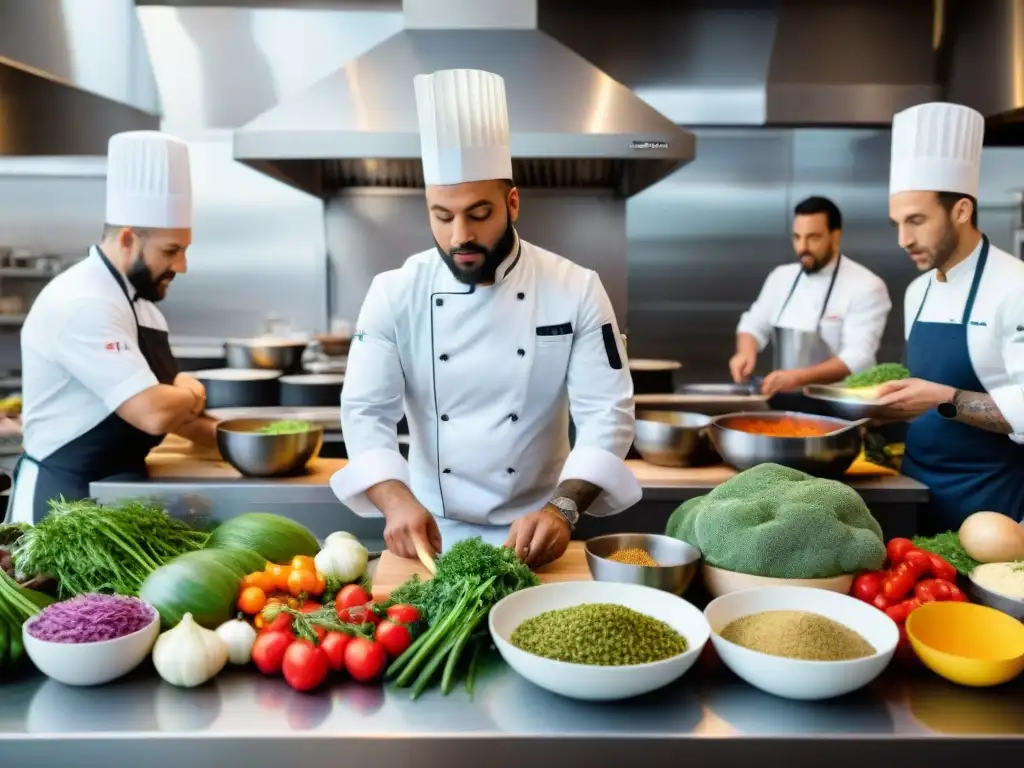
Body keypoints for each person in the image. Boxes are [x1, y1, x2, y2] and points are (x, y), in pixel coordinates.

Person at [330, 68, 641, 568]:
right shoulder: (394, 292)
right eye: (442, 216)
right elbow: (366, 412)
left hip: (543, 529)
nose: (460, 237)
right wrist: (394, 499)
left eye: (478, 214)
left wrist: (563, 509)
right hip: (428, 533)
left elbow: (607, 412)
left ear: (512, 203)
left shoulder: (576, 287)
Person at [7, 131, 217, 524]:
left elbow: (175, 415)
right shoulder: (83, 301)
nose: (182, 266)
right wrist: (190, 391)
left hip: (118, 497)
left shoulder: (143, 306)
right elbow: (153, 412)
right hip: (62, 507)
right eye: (171, 251)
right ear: (127, 239)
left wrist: (246, 444)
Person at [876, 102, 1024, 532]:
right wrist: (890, 409)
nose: (904, 239)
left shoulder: (1015, 287)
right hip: (916, 492)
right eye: (897, 223)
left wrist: (946, 399)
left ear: (961, 210)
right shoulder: (917, 290)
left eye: (916, 221)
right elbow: (924, 390)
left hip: (991, 505)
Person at [729, 196, 892, 412]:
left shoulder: (867, 286)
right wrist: (745, 352)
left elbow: (857, 357)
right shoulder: (781, 277)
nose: (802, 247)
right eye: (797, 237)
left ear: (835, 236)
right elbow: (753, 324)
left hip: (840, 406)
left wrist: (798, 378)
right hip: (783, 401)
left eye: (813, 238)